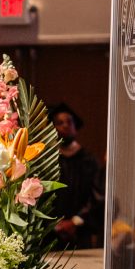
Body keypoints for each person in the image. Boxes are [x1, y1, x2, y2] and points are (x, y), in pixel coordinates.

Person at [48, 103, 104, 250]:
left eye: (69, 121)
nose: (65, 125)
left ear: (76, 126)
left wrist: (75, 222)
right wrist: (54, 225)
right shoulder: (47, 161)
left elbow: (98, 196)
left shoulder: (89, 161)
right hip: (49, 237)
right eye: (60, 123)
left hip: (80, 234)